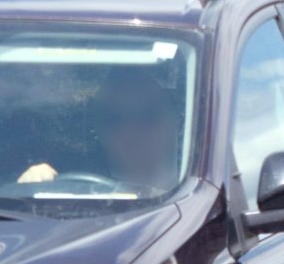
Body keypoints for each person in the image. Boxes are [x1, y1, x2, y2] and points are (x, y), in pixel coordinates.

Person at [17, 68, 181, 192]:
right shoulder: (73, 183)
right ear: (98, 130)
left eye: (149, 116)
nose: (131, 131)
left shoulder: (194, 184)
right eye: (115, 120)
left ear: (176, 121)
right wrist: (32, 186)